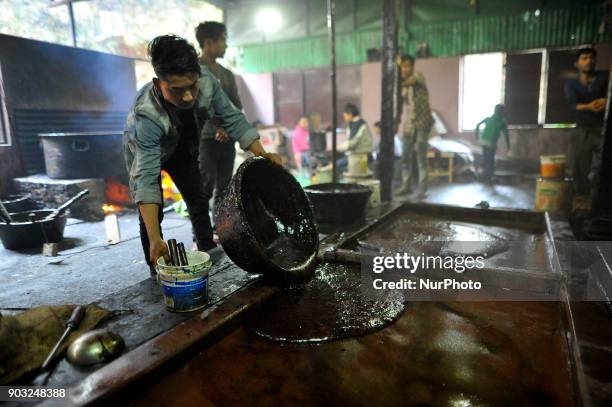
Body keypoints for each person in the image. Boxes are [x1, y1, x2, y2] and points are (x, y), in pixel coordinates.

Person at [123, 35, 281, 274]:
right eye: (177, 90)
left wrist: (262, 152)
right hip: (147, 153)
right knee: (152, 213)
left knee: (197, 197)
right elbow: (145, 180)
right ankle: (156, 264)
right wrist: (156, 238)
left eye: (192, 87)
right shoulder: (146, 116)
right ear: (158, 84)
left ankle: (208, 250)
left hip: (183, 148)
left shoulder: (207, 81)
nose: (188, 96)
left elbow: (232, 117)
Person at [195, 21, 242, 218]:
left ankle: (220, 229)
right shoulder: (192, 72)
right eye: (222, 40)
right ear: (208, 42)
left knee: (224, 187)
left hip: (227, 139)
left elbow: (236, 105)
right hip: (205, 140)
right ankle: (202, 234)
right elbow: (196, 107)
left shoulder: (227, 75)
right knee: (204, 186)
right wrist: (216, 128)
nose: (225, 45)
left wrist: (227, 130)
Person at [564, 47, 608, 198]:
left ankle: (600, 199)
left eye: (591, 57)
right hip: (582, 128)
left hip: (604, 128)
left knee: (603, 167)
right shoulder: (571, 84)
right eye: (584, 58)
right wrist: (590, 106)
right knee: (579, 166)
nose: (589, 60)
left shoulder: (605, 77)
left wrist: (606, 101)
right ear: (577, 63)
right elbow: (573, 105)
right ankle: (582, 197)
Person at [396, 54, 434, 199]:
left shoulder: (418, 77)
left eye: (406, 66)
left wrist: (395, 73)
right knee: (405, 156)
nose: (404, 69)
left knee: (421, 156)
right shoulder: (403, 87)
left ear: (412, 66)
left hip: (423, 123)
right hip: (409, 124)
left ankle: (423, 188)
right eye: (402, 67)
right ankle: (406, 186)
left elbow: (408, 81)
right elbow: (400, 104)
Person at [475, 104, 510, 184]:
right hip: (491, 143)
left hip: (483, 141)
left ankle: (485, 177)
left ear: (494, 111)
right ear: (502, 112)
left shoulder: (488, 119)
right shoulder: (502, 122)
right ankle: (489, 178)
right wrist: (508, 147)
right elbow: (506, 135)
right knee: (490, 161)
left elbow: (477, 126)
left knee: (486, 159)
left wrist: (477, 137)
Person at [339, 103, 374, 172]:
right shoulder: (353, 124)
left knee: (337, 165)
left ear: (350, 114)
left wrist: (337, 147)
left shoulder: (359, 124)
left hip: (362, 157)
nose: (344, 117)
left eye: (345, 115)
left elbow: (352, 143)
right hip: (356, 156)